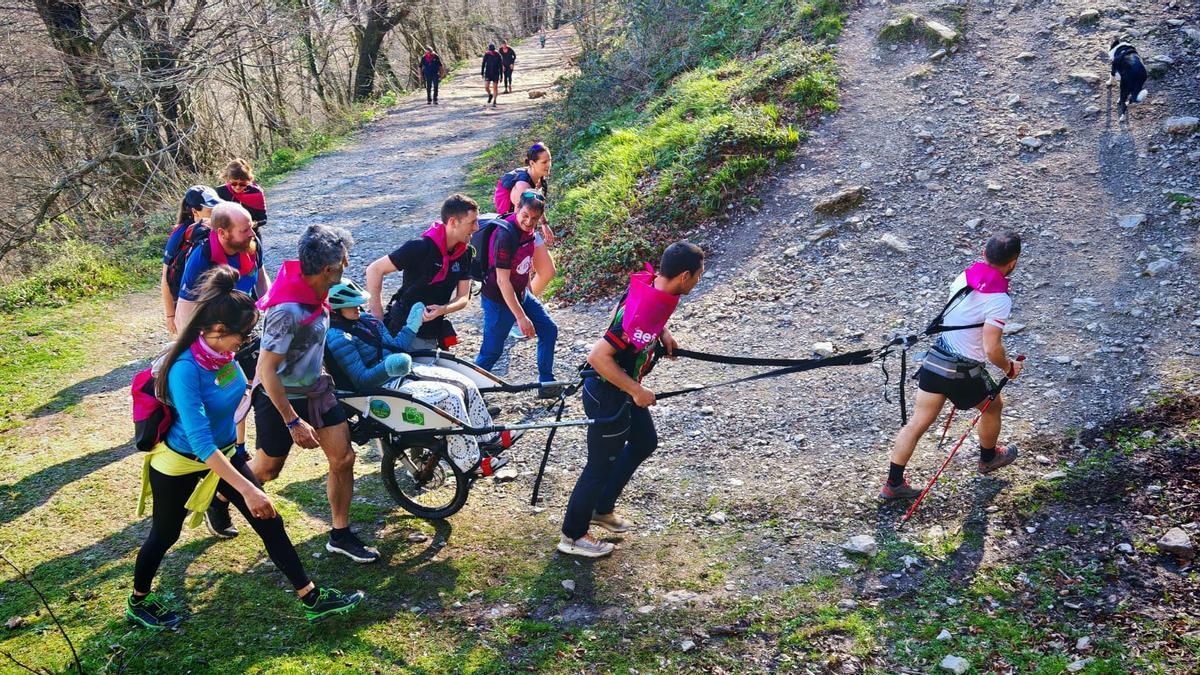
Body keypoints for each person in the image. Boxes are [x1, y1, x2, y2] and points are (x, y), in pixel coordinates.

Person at [128, 266, 363, 630]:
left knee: (270, 522)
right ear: (219, 331)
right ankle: (139, 601)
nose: (248, 340)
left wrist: (241, 452)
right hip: (182, 461)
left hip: (223, 453)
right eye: (244, 334)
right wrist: (248, 487)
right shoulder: (185, 370)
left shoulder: (223, 356)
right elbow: (200, 441)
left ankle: (312, 599)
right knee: (165, 534)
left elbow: (239, 401)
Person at [558, 242, 705, 557]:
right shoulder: (644, 310)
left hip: (621, 390)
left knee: (644, 441)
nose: (698, 283)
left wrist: (662, 334)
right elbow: (598, 356)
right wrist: (637, 390)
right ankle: (572, 535)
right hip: (607, 393)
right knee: (599, 465)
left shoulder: (655, 288)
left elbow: (630, 316)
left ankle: (601, 508)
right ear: (684, 276)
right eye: (697, 277)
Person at [251, 224, 381, 563]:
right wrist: (292, 421)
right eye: (344, 260)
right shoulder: (287, 310)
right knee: (267, 470)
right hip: (279, 396)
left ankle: (340, 534)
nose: (348, 265)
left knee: (344, 458)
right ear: (328, 268)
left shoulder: (319, 294)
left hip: (316, 389)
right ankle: (224, 495)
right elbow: (267, 371)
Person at [880, 232, 1025, 500]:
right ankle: (989, 458)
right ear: (1013, 262)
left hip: (935, 361)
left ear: (984, 254)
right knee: (993, 406)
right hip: (962, 372)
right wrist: (1009, 368)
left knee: (918, 422)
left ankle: (893, 483)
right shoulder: (999, 299)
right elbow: (992, 349)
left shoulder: (964, 277)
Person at [324, 281, 507, 476]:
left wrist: (412, 326)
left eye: (358, 304)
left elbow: (396, 347)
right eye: (352, 306)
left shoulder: (369, 321)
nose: (358, 309)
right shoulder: (338, 338)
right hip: (381, 386)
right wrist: (389, 366)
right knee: (450, 397)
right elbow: (362, 380)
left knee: (466, 383)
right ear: (336, 309)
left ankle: (489, 437)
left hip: (404, 370)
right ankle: (469, 463)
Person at [364, 194, 476, 350]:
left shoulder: (465, 253)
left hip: (431, 334)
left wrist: (443, 309)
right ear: (453, 222)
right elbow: (374, 270)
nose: (476, 227)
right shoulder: (419, 247)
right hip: (401, 330)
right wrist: (377, 317)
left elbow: (463, 297)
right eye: (472, 222)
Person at [474, 191, 559, 396]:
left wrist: (529, 296)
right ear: (516, 209)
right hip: (497, 300)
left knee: (549, 329)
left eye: (534, 219)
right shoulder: (505, 236)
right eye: (525, 215)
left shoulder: (529, 232)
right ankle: (471, 393)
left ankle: (546, 383)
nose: (529, 222)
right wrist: (521, 317)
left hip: (521, 293)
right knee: (491, 352)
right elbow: (503, 281)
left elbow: (524, 265)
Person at [175, 202, 269, 330]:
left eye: (251, 227)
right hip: (215, 330)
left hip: (243, 321)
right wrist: (191, 348)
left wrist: (272, 310)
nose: (252, 234)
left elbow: (261, 281)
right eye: (244, 230)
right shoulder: (201, 258)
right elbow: (184, 311)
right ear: (222, 233)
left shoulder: (251, 244)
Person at [494, 143, 556, 301]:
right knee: (531, 273)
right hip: (516, 235)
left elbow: (536, 206)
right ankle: (523, 307)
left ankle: (527, 305)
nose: (548, 165)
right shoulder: (523, 185)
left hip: (528, 233)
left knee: (547, 271)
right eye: (544, 162)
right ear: (532, 163)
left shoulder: (538, 180)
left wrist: (544, 224)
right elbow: (520, 216)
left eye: (549, 160)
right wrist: (527, 243)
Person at [162, 185, 222, 336]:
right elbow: (165, 277)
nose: (215, 214)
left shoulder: (216, 230)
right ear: (195, 211)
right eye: (210, 211)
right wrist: (170, 316)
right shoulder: (180, 234)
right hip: (187, 302)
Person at [215, 159, 267, 230]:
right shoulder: (220, 192)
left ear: (248, 181)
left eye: (242, 184)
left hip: (250, 232)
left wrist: (254, 224)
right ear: (228, 180)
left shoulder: (255, 192)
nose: (238, 187)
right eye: (234, 183)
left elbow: (263, 219)